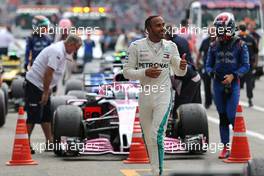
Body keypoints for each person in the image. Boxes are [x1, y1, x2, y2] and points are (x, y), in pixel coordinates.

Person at [123, 16, 187, 176]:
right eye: (158, 25)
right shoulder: (136, 46)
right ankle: (154, 170)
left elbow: (179, 71)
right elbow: (126, 72)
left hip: (163, 94)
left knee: (156, 134)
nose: (162, 28)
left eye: (163, 25)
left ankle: (158, 172)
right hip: (145, 95)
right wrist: (145, 72)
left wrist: (182, 66)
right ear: (148, 29)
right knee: (148, 137)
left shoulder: (171, 46)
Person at [24, 34, 82, 154]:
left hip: (43, 85)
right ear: (70, 44)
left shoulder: (63, 50)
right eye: (76, 48)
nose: (75, 51)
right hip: (34, 85)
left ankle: (50, 142)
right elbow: (48, 73)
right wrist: (45, 92)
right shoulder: (57, 51)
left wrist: (48, 88)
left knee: (46, 114)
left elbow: (52, 74)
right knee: (33, 115)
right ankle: (24, 144)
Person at [206, 12, 249, 159]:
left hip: (233, 83)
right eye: (219, 29)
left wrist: (233, 75)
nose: (221, 32)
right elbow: (208, 66)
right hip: (218, 83)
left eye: (223, 29)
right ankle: (225, 147)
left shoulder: (240, 44)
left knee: (232, 115)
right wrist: (214, 74)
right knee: (223, 116)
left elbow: (246, 66)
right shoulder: (213, 45)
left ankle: (238, 143)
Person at [165, 25, 201, 118]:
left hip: (188, 76)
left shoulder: (172, 44)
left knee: (181, 106)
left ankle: (182, 128)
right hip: (191, 72)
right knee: (192, 105)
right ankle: (193, 126)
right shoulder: (181, 40)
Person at [238, 22, 258, 107]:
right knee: (249, 82)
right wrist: (256, 63)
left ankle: (235, 99)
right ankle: (250, 99)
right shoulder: (251, 38)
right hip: (249, 64)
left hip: (239, 65)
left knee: (237, 82)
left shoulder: (236, 38)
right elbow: (256, 52)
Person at [197, 26, 216, 109]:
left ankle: (218, 101)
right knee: (206, 85)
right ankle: (208, 102)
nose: (212, 33)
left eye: (213, 31)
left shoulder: (220, 41)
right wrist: (198, 62)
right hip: (206, 66)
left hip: (217, 67)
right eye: (210, 31)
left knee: (216, 85)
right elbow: (200, 52)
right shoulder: (205, 41)